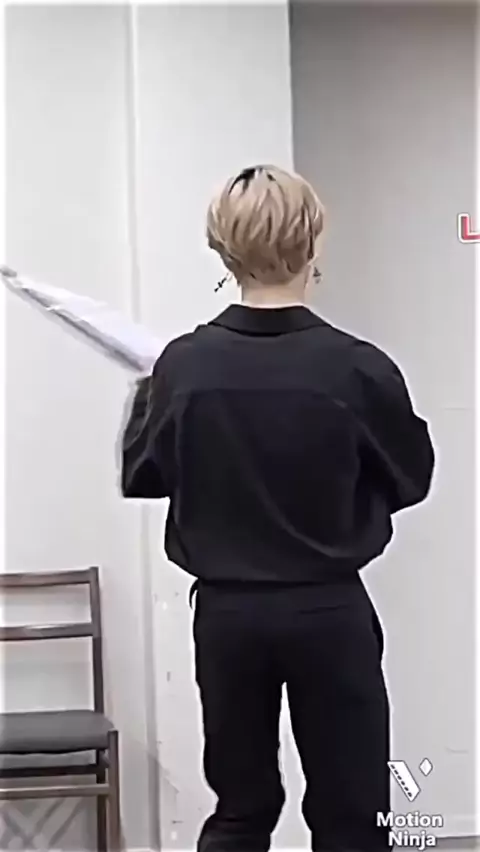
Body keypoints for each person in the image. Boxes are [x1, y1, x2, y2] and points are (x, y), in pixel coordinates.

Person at [120, 165, 435, 852]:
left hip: (228, 620)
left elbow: (144, 474)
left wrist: (150, 394)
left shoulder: (183, 366)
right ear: (313, 240)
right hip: (329, 611)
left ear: (222, 249)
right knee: (355, 816)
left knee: (240, 810)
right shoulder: (358, 368)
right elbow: (412, 478)